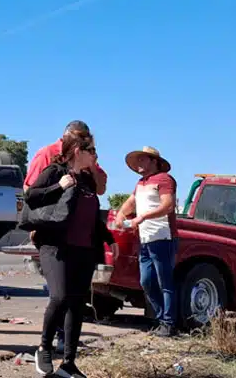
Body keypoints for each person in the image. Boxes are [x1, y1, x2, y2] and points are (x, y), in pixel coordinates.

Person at [25, 131, 116, 378]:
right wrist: (58, 186)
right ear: (78, 151)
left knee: (76, 304)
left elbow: (91, 217)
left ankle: (69, 364)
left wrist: (109, 239)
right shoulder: (56, 171)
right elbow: (30, 196)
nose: (96, 156)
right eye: (92, 151)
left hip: (83, 250)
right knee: (60, 296)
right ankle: (44, 348)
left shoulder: (87, 180)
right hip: (55, 246)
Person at [114, 146, 179, 337]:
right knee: (146, 281)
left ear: (154, 162)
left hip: (163, 237)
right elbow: (131, 202)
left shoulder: (165, 180)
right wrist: (120, 214)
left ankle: (169, 323)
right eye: (138, 160)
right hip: (146, 239)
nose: (139, 164)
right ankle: (162, 319)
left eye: (143, 160)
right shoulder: (140, 183)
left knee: (165, 282)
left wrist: (142, 217)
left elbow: (167, 205)